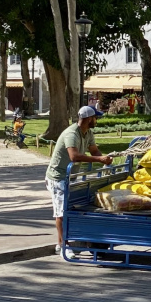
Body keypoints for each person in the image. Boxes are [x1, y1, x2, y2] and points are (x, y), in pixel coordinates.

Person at [46, 106, 112, 254]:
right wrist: (99, 159)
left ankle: (71, 240)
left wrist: (104, 160)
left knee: (72, 208)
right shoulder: (72, 134)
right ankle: (63, 246)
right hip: (58, 177)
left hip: (71, 177)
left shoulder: (88, 132)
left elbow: (94, 150)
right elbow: (74, 156)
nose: (97, 120)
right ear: (89, 119)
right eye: (95, 118)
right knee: (62, 212)